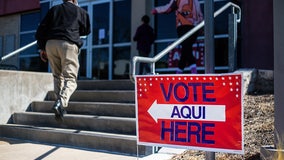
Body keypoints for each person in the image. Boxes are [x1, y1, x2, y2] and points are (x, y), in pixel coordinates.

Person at [35, 0, 91, 121]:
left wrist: (42, 48)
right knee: (70, 78)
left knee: (57, 76)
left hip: (50, 44)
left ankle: (59, 106)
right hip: (68, 43)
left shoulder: (53, 10)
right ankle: (61, 102)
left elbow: (41, 30)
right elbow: (86, 30)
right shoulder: (80, 11)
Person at [151, 0, 203, 74]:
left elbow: (168, 8)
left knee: (186, 49)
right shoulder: (195, 1)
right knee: (186, 48)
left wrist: (156, 10)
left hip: (188, 27)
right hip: (188, 26)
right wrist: (157, 10)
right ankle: (182, 70)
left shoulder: (194, 1)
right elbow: (168, 8)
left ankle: (184, 71)